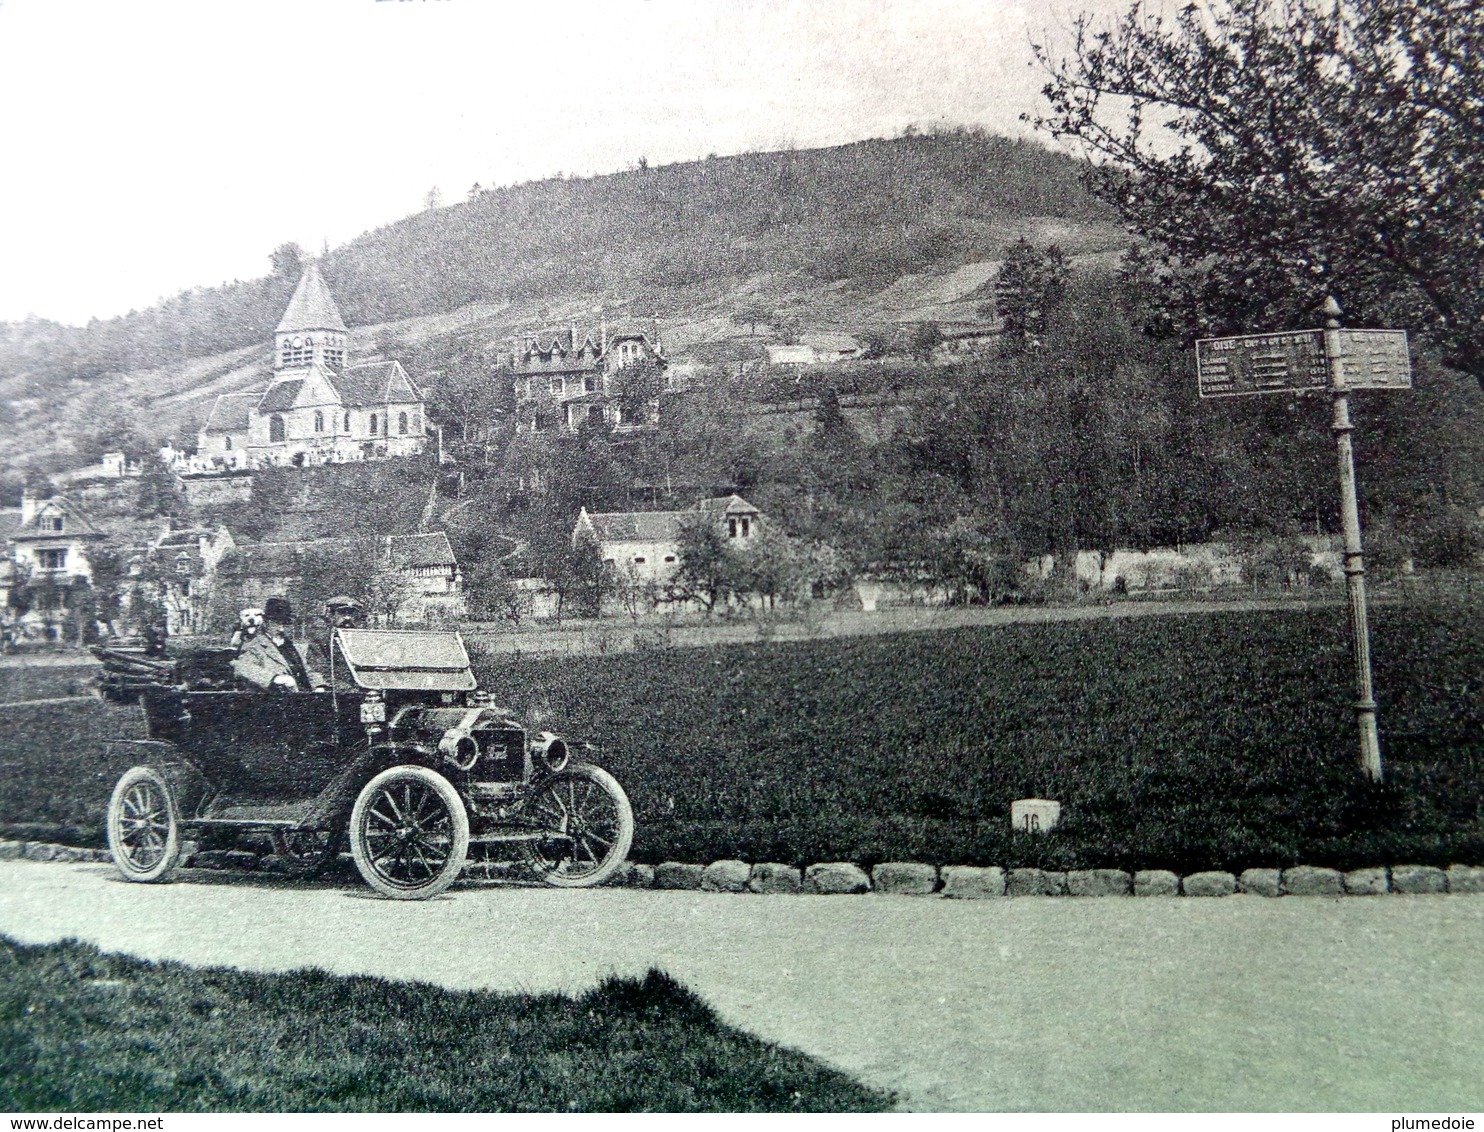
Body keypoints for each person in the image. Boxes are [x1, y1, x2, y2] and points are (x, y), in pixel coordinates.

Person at [230, 598, 323, 691]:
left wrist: (319, 685)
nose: (281, 629)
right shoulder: (254, 644)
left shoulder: (293, 647)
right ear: (267, 622)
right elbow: (241, 667)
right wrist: (274, 678)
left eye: (285, 624)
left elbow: (308, 670)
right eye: (277, 623)